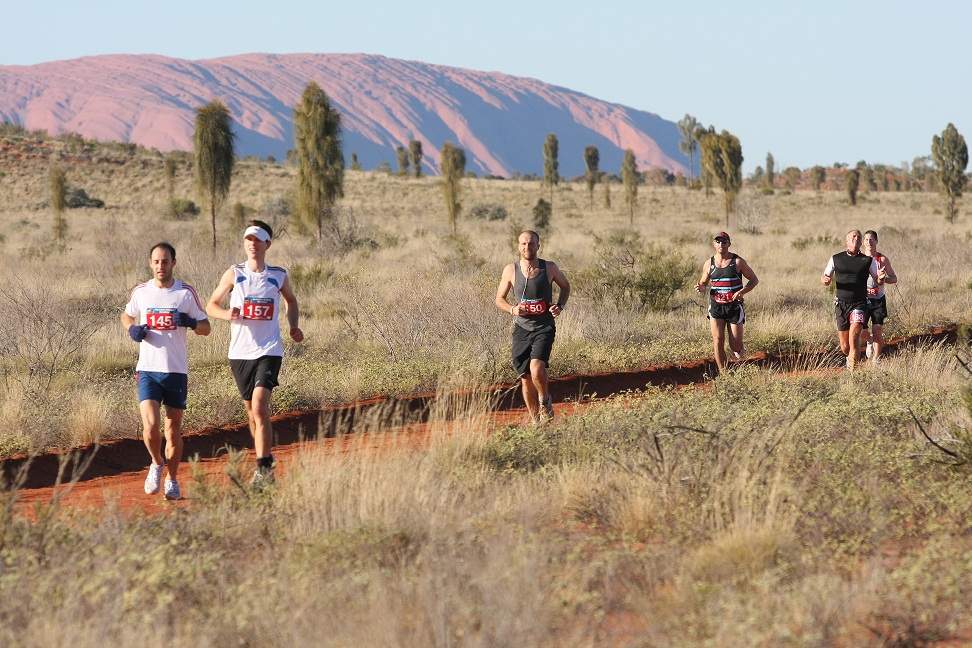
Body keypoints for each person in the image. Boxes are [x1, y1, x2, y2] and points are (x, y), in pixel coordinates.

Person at [206, 220, 303, 486]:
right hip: (239, 352)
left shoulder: (278, 275)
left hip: (269, 350)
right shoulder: (234, 274)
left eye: (257, 239)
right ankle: (264, 460)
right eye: (248, 239)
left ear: (267, 244)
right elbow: (211, 305)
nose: (252, 244)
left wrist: (294, 326)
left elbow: (291, 301)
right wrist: (227, 314)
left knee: (260, 406)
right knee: (251, 412)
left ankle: (264, 468)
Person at [122, 242, 210, 500]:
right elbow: (127, 316)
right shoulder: (141, 291)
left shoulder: (185, 293)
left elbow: (206, 328)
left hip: (175, 371)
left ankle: (172, 479)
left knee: (173, 431)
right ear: (151, 263)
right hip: (148, 369)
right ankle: (156, 463)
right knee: (150, 427)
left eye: (165, 261)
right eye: (156, 261)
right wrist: (132, 329)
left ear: (173, 263)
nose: (161, 266)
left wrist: (192, 322)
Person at [494, 230, 570, 423]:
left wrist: (559, 306)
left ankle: (545, 401)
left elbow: (565, 286)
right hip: (521, 329)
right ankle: (536, 422)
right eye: (523, 244)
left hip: (544, 327)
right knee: (525, 377)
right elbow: (499, 299)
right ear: (518, 246)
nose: (527, 247)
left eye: (531, 244)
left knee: (536, 369)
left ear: (538, 245)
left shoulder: (549, 268)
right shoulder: (511, 270)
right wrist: (513, 310)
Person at [694, 231, 759, 375]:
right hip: (716, 306)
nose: (721, 244)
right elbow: (703, 282)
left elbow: (754, 280)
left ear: (729, 244)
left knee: (735, 345)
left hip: (734, 306)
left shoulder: (737, 262)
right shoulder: (709, 263)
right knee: (717, 340)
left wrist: (742, 292)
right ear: (714, 244)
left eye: (724, 242)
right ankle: (724, 374)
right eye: (718, 241)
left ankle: (740, 355)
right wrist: (701, 287)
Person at [821, 229, 884, 370]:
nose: (856, 238)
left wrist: (881, 277)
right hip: (841, 305)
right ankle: (853, 359)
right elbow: (824, 277)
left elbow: (878, 280)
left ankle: (853, 374)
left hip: (860, 304)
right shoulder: (836, 258)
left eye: (859, 237)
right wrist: (825, 280)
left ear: (861, 242)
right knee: (845, 347)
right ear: (847, 241)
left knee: (854, 335)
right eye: (853, 236)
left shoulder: (868, 260)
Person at [860, 229, 897, 364]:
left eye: (871, 239)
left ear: (876, 241)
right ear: (863, 242)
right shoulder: (859, 259)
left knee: (877, 331)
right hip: (862, 300)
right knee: (862, 332)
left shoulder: (882, 259)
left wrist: (883, 278)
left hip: (878, 300)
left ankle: (876, 360)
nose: (869, 242)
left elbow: (894, 278)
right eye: (866, 240)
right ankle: (869, 341)